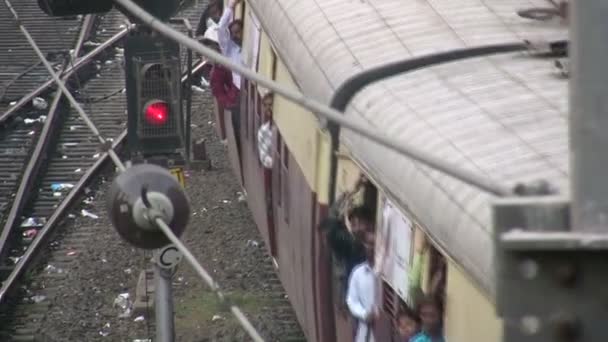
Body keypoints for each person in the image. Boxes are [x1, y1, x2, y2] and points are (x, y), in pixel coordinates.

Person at [346, 229, 379, 342]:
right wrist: (364, 314)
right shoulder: (358, 273)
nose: (372, 248)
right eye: (369, 244)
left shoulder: (387, 274)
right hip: (365, 332)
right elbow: (351, 300)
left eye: (375, 244)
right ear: (364, 246)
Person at [218, 0, 244, 89]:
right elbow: (221, 28)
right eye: (232, 33)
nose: (234, 36)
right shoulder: (228, 49)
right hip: (239, 88)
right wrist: (230, 7)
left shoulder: (246, 47)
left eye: (237, 32)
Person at [257, 92, 274, 169]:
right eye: (265, 105)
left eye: (270, 105)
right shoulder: (263, 131)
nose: (267, 108)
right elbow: (263, 157)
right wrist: (274, 162)